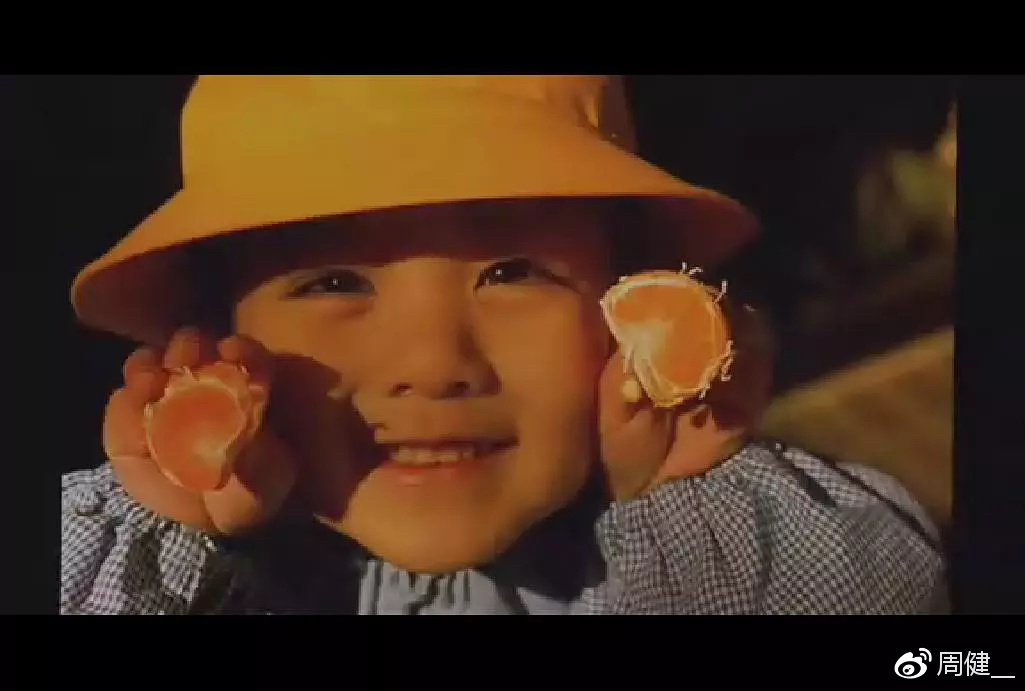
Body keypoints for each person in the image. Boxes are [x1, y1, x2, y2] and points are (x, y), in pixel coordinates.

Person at [62, 75, 946, 614]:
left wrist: (680, 489)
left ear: (632, 302)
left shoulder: (732, 554)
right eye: (334, 284)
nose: (433, 366)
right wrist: (176, 531)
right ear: (226, 338)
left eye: (511, 273)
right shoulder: (170, 580)